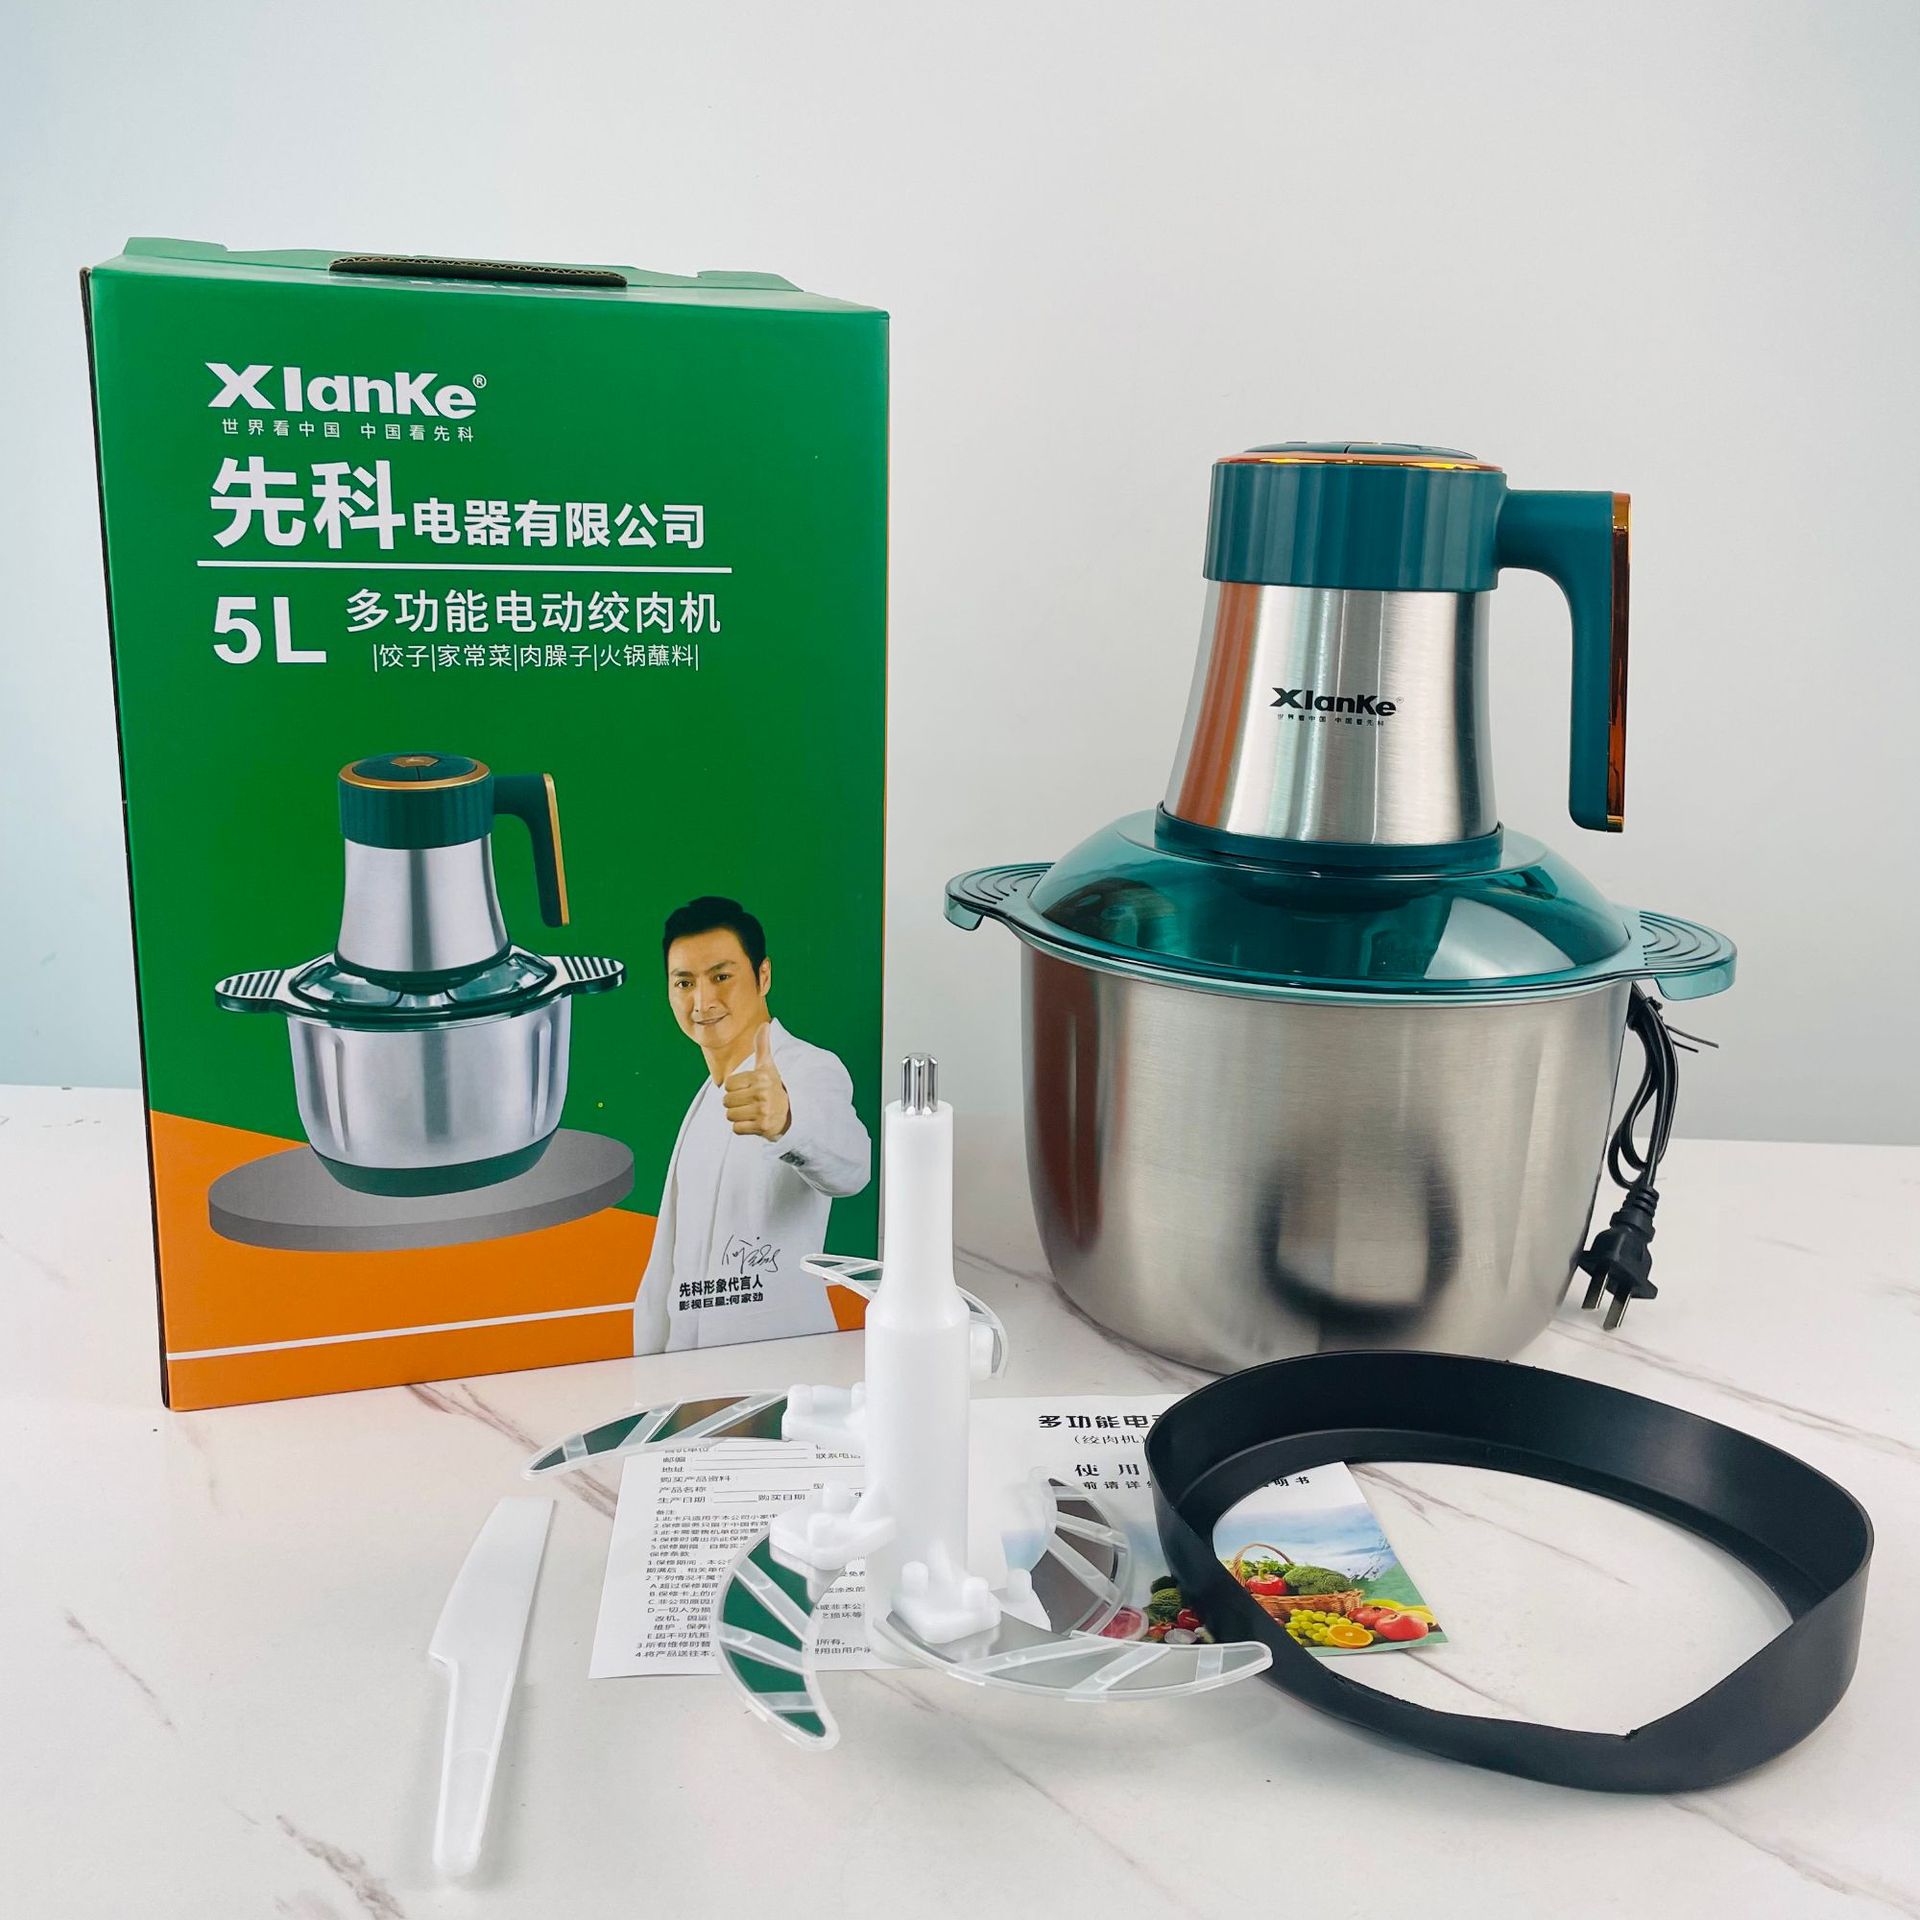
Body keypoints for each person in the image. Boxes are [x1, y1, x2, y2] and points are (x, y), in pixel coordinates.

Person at [632, 896, 872, 1353]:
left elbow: (854, 1167)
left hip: (782, 1359)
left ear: (763, 976)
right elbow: (671, 1269)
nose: (702, 1001)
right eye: (684, 982)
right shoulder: (704, 1099)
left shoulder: (806, 1069)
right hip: (686, 1370)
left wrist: (787, 1121)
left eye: (721, 977)